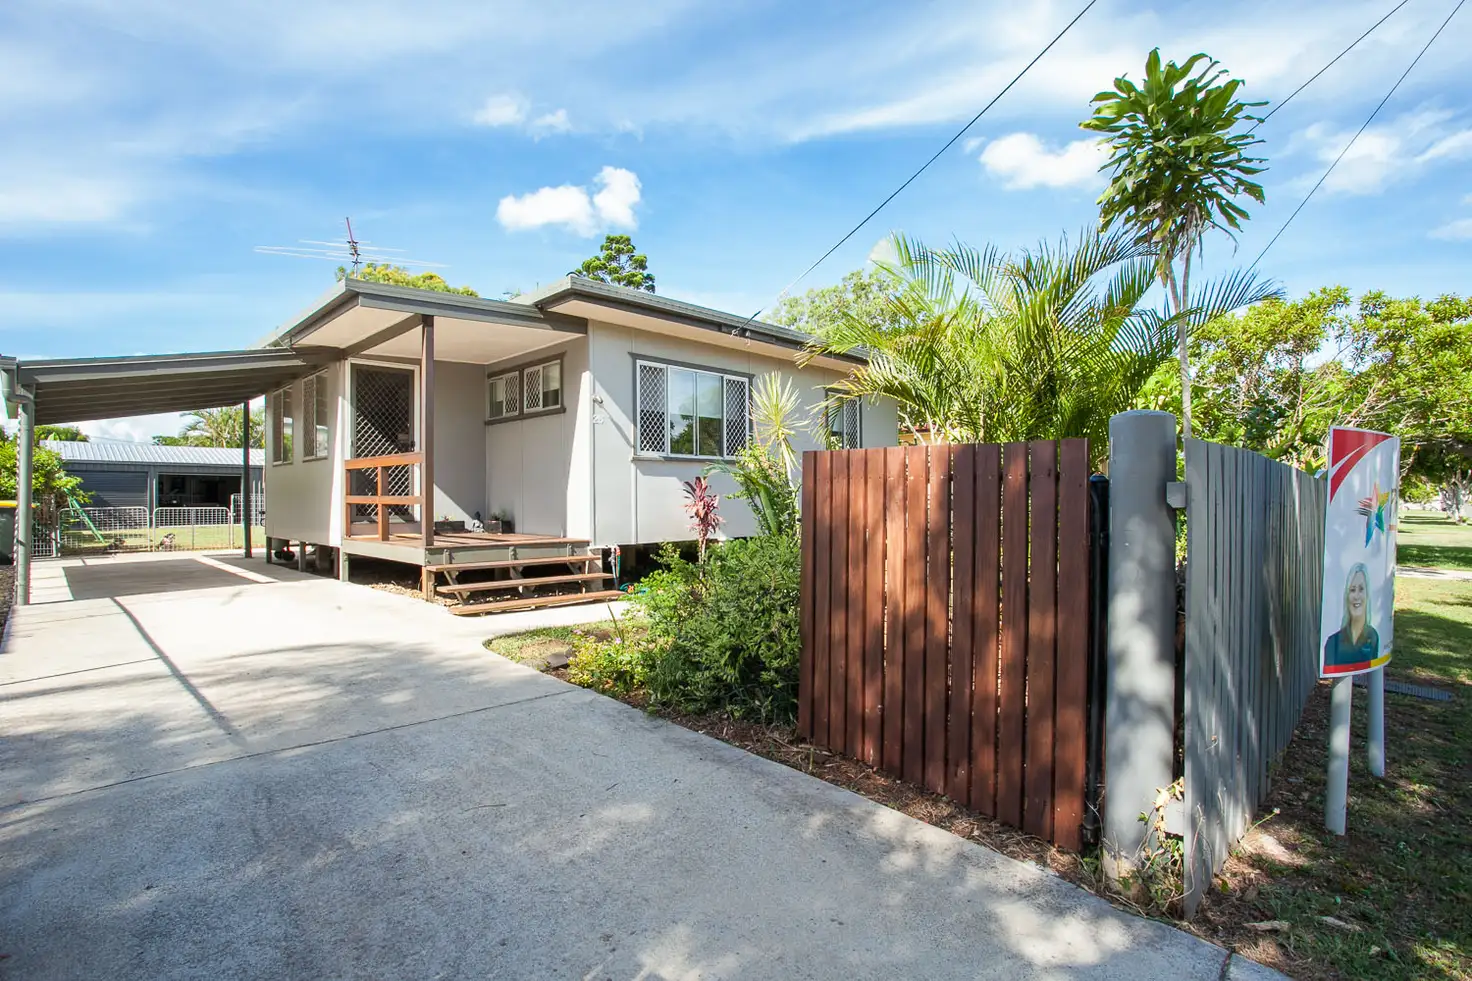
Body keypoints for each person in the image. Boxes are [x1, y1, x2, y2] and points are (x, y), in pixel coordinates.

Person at [1323, 563, 1379, 669]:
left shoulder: (1373, 636)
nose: (1356, 596)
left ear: (1367, 594)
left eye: (1361, 589)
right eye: (1352, 590)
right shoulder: (1333, 642)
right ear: (1346, 596)